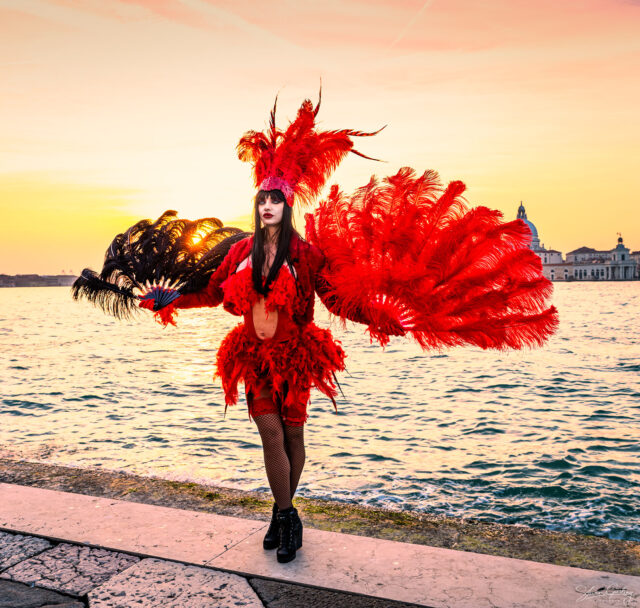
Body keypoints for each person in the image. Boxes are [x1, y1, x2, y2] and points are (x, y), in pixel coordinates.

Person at [72, 89, 559, 565]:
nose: (267, 208)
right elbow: (215, 294)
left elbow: (335, 300)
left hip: (297, 356)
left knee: (292, 438)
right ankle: (287, 513)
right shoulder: (240, 253)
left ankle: (281, 516)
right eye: (262, 200)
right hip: (251, 354)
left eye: (276, 202)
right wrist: (173, 298)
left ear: (287, 207)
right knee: (268, 432)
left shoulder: (306, 255)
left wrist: (379, 316)